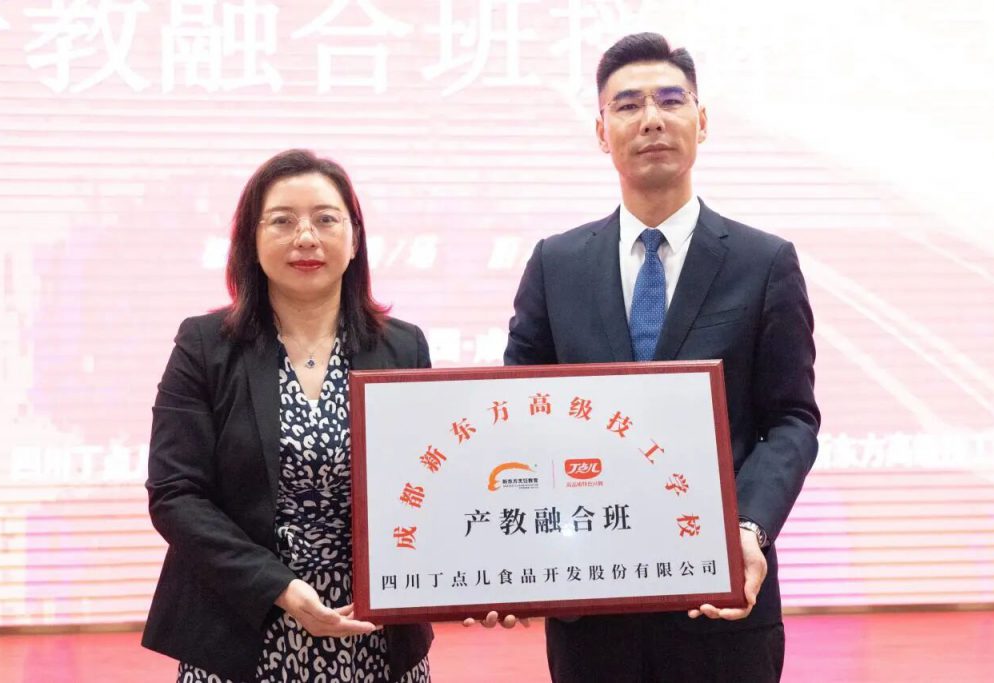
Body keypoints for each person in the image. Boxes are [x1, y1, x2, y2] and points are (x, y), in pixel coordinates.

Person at [503, 33, 820, 682]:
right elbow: (518, 414)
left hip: (723, 601)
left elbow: (791, 418)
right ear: (601, 131)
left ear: (701, 121)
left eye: (671, 100)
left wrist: (749, 529)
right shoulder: (556, 265)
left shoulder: (764, 263)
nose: (651, 118)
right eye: (627, 105)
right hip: (589, 604)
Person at [142, 149, 433, 682]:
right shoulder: (204, 346)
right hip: (241, 630)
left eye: (326, 219)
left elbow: (432, 483)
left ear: (355, 238)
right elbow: (175, 494)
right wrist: (280, 588)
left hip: (374, 634)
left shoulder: (403, 347)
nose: (306, 237)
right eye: (282, 221)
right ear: (250, 241)